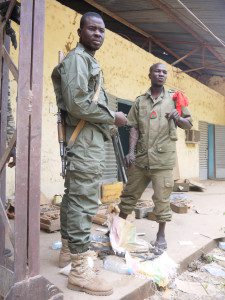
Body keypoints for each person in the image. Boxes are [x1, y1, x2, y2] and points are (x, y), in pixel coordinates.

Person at [51, 12, 127, 296]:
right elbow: (77, 104)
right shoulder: (77, 60)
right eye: (92, 29)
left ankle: (68, 251)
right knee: (82, 201)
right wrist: (113, 117)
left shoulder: (88, 61)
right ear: (80, 31)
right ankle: (80, 270)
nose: (98, 34)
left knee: (73, 198)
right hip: (82, 144)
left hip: (86, 142)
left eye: (102, 30)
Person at [118, 62, 192, 255]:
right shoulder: (140, 101)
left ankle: (161, 235)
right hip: (141, 158)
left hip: (163, 160)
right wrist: (131, 151)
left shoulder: (176, 99)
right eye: (157, 71)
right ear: (149, 74)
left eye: (164, 72)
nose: (161, 74)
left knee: (162, 199)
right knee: (128, 195)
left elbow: (188, 124)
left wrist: (177, 118)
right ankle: (117, 231)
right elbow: (133, 127)